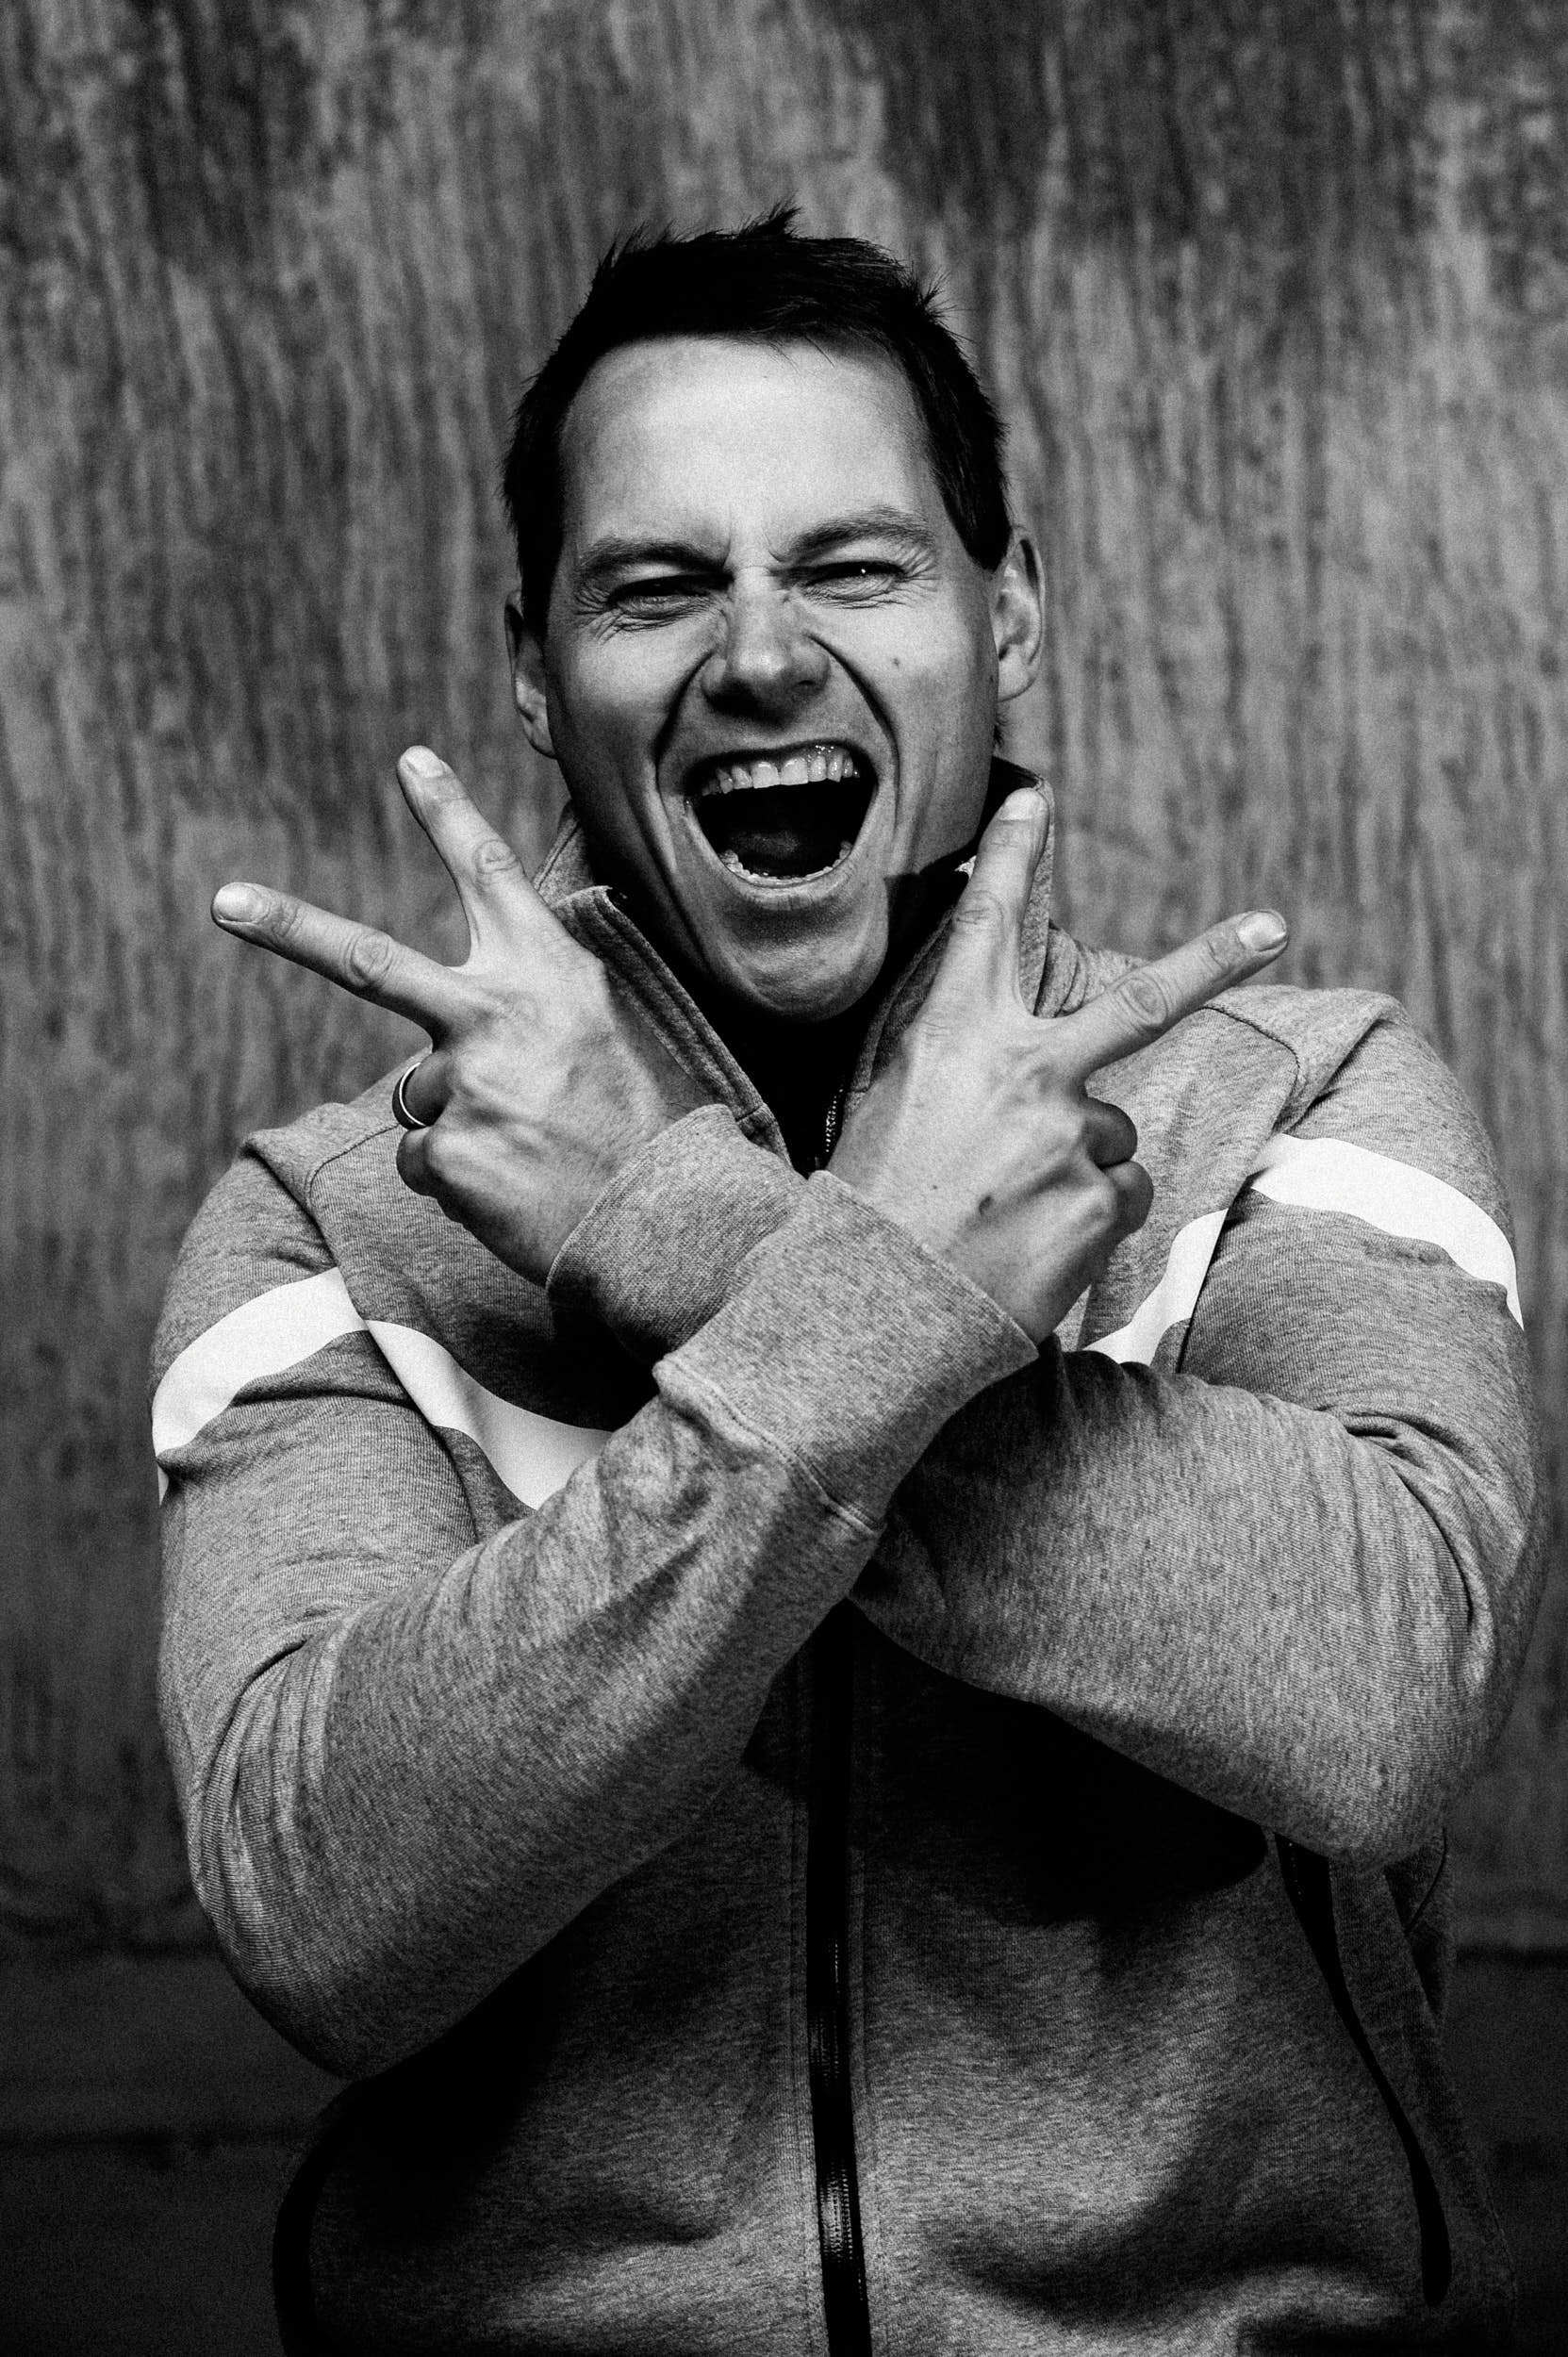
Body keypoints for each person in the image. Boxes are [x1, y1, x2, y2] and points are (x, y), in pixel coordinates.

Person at [153, 214, 1543, 2353]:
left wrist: (674, 1232)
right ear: (534, 669)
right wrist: (869, 1305)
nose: (762, 652)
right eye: (655, 583)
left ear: (1010, 616)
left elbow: (1380, 1700)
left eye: (854, 563)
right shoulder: (327, 1220)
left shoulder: (1301, 1100)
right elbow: (328, 1908)